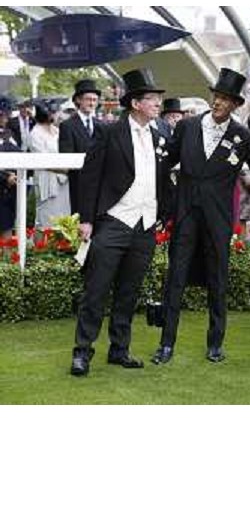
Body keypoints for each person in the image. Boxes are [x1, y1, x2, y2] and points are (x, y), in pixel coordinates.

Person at [151, 68, 250, 365]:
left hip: (218, 221)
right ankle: (166, 344)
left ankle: (215, 344)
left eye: (225, 99)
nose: (218, 102)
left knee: (218, 280)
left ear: (236, 104)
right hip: (185, 216)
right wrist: (168, 203)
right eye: (216, 96)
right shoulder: (187, 126)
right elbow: (165, 162)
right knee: (175, 279)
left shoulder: (243, 136)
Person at [69, 69, 170, 376]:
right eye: (152, 99)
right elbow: (89, 176)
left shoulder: (161, 134)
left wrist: (163, 215)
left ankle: (119, 349)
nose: (157, 105)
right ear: (136, 103)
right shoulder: (108, 132)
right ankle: (82, 352)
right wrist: (86, 219)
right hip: (113, 221)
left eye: (157, 100)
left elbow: (165, 180)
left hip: (145, 226)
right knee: (96, 291)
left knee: (128, 292)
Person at [59, 79, 103, 215]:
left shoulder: (102, 125)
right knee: (80, 221)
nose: (92, 103)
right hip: (79, 184)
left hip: (100, 184)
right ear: (78, 100)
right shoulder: (67, 125)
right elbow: (66, 156)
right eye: (88, 99)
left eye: (95, 100)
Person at [29, 101, 70, 226]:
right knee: (47, 217)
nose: (58, 115)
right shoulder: (35, 133)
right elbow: (42, 159)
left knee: (64, 216)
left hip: (64, 179)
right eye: (56, 112)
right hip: (47, 180)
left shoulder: (56, 130)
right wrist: (64, 170)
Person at [0, 100, 19, 240]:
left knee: (7, 226)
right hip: (3, 183)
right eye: (4, 115)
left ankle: (7, 261)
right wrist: (5, 176)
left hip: (10, 190)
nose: (7, 118)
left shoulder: (9, 133)